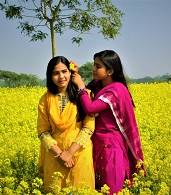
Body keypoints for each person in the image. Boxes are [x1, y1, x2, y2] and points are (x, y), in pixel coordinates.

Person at [72, 50, 145, 194]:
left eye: (98, 66)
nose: (93, 69)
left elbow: (90, 108)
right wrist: (75, 74)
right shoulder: (99, 85)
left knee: (111, 188)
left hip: (111, 147)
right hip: (98, 143)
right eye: (94, 64)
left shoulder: (116, 90)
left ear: (110, 70)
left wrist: (80, 85)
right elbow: (85, 93)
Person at [37, 56, 95, 193]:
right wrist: (60, 154)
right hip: (54, 156)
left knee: (80, 189)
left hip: (79, 154)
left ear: (70, 73)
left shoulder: (85, 95)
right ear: (50, 76)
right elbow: (42, 130)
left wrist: (69, 153)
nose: (61, 76)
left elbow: (89, 127)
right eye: (56, 73)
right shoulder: (45, 99)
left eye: (64, 71)